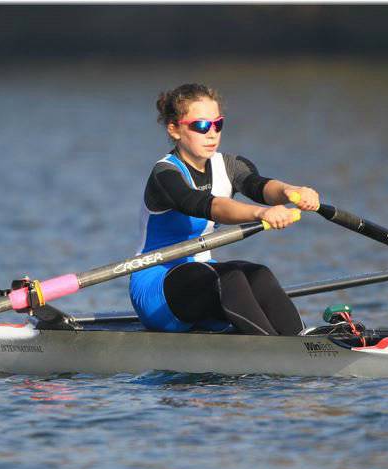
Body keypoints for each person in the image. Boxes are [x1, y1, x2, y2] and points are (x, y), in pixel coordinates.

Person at [129, 83, 321, 336]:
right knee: (229, 278)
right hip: (157, 288)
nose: (212, 134)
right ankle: (276, 352)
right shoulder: (165, 174)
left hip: (202, 277)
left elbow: (259, 186)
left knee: (258, 274)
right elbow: (207, 205)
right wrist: (261, 213)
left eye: (217, 124)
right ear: (174, 129)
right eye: (200, 126)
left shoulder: (230, 165)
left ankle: (301, 341)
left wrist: (290, 191)